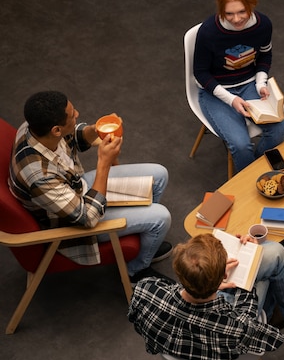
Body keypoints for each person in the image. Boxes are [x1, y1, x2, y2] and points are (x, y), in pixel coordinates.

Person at [9, 91, 173, 283]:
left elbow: (71, 137)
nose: (77, 114)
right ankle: (136, 271)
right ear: (56, 130)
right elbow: (87, 217)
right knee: (161, 218)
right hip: (72, 223)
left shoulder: (33, 128)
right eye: (72, 115)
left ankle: (144, 236)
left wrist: (96, 129)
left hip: (75, 186)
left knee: (159, 175)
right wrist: (104, 163)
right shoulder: (39, 177)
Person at [128, 232, 284, 360]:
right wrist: (251, 256)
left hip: (179, 346)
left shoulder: (144, 290)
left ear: (178, 269)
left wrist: (210, 281)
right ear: (222, 277)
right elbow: (273, 340)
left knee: (266, 265)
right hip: (226, 348)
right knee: (270, 263)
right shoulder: (238, 325)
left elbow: (136, 317)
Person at [193, 0, 284, 172]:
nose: (237, 20)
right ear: (220, 9)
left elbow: (264, 56)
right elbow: (200, 74)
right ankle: (251, 184)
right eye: (229, 14)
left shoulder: (263, 25)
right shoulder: (209, 32)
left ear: (252, 3)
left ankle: (256, 172)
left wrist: (261, 83)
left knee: (279, 129)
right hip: (216, 92)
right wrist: (230, 99)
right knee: (241, 145)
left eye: (242, 11)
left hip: (250, 84)